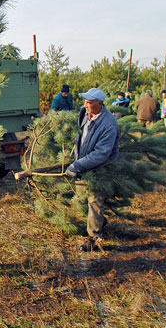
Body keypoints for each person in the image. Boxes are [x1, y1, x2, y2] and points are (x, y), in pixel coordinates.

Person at [65, 88, 119, 252]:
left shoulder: (109, 124)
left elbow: (101, 155)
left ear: (99, 104)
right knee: (82, 197)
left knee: (94, 200)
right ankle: (99, 221)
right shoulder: (85, 113)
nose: (85, 105)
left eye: (89, 103)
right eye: (85, 102)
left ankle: (94, 237)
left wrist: (77, 165)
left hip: (99, 168)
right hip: (83, 164)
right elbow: (81, 135)